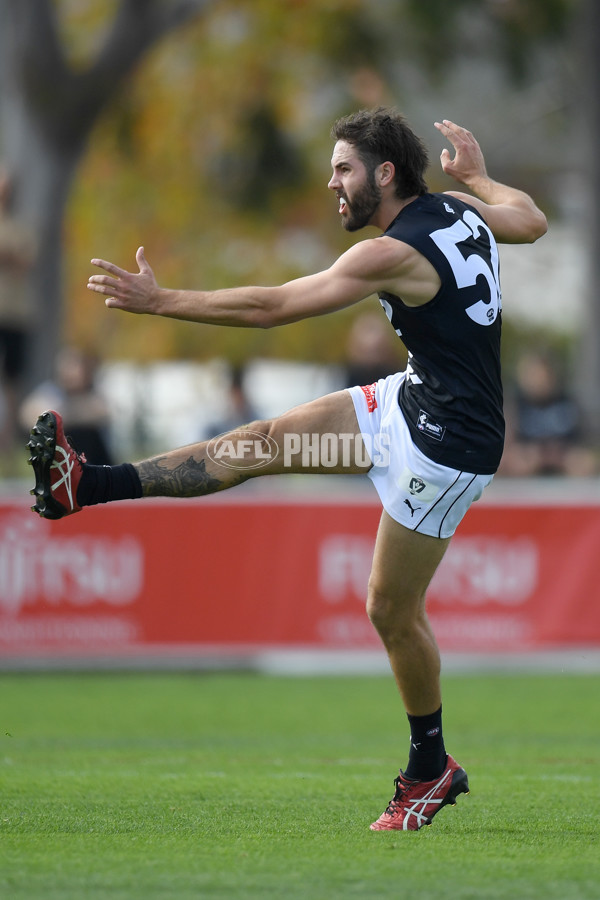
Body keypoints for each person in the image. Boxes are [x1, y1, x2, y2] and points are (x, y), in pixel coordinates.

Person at [26, 110, 547, 831]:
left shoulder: (390, 253)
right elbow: (527, 220)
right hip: (411, 401)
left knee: (388, 610)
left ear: (384, 173)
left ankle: (431, 769)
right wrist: (481, 179)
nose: (332, 183)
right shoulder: (456, 210)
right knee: (262, 444)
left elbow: (273, 308)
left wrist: (162, 300)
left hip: (446, 447)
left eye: (343, 169)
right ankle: (87, 484)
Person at [500, 349, 597, 477]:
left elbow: (586, 444)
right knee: (516, 463)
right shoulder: (515, 404)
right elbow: (506, 448)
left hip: (564, 459)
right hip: (528, 462)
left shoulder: (567, 402)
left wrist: (560, 456)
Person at [0, 167, 36, 461]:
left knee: (12, 380)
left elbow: (24, 259)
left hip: (13, 314)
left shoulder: (19, 227)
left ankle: (8, 442)